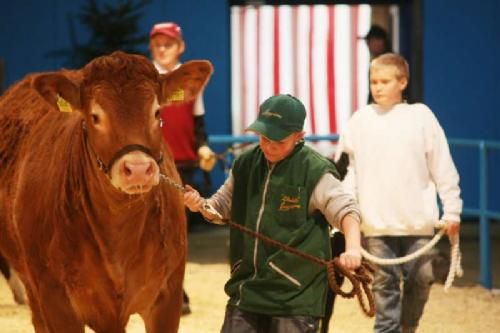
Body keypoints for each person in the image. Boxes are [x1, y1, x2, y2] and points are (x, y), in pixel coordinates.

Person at [184, 94, 363, 333]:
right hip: (246, 290)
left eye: (279, 140)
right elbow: (221, 205)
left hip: (296, 297)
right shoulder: (245, 163)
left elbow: (346, 211)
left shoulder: (315, 170)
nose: (269, 145)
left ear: (300, 136)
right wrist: (201, 206)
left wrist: (353, 249)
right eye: (264, 137)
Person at [337, 53, 462, 333]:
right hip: (375, 223)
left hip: (418, 222)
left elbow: (442, 166)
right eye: (373, 81)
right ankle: (388, 330)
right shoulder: (360, 120)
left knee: (422, 278)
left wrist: (452, 209)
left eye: (384, 81)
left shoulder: (421, 117)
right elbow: (349, 172)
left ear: (402, 82)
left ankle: (408, 327)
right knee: (385, 285)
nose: (377, 87)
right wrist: (344, 211)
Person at [149, 21, 217, 315]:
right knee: (151, 231)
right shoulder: (144, 78)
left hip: (184, 165)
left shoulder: (191, 83)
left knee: (177, 232)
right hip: (150, 166)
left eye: (168, 44)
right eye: (158, 44)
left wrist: (203, 147)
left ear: (180, 47)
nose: (162, 49)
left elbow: (198, 123)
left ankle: (175, 290)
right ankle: (158, 290)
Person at [364, 25, 393, 104]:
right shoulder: (375, 62)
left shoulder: (391, 63)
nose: (368, 46)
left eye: (370, 42)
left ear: (381, 41)